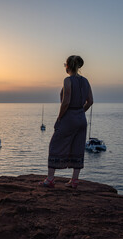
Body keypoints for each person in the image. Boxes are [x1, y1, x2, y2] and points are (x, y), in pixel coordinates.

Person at [40, 55, 93, 188]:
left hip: (69, 117)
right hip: (81, 118)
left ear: (68, 66)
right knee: (78, 145)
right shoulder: (86, 81)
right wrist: (80, 112)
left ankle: (50, 179)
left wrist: (60, 118)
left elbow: (66, 101)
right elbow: (90, 101)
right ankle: (74, 180)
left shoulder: (68, 80)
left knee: (55, 144)